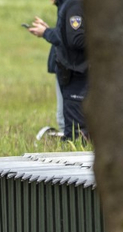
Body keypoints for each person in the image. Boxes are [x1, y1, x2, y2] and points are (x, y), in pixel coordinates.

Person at [30, 0, 87, 141]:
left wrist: (46, 32)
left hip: (76, 73)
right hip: (71, 71)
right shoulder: (67, 5)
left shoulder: (73, 4)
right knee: (71, 123)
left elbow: (72, 39)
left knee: (72, 128)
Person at [28, 0, 67, 136]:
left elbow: (67, 38)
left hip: (69, 68)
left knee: (66, 118)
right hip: (64, 67)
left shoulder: (71, 5)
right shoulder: (64, 6)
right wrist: (48, 29)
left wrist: (45, 32)